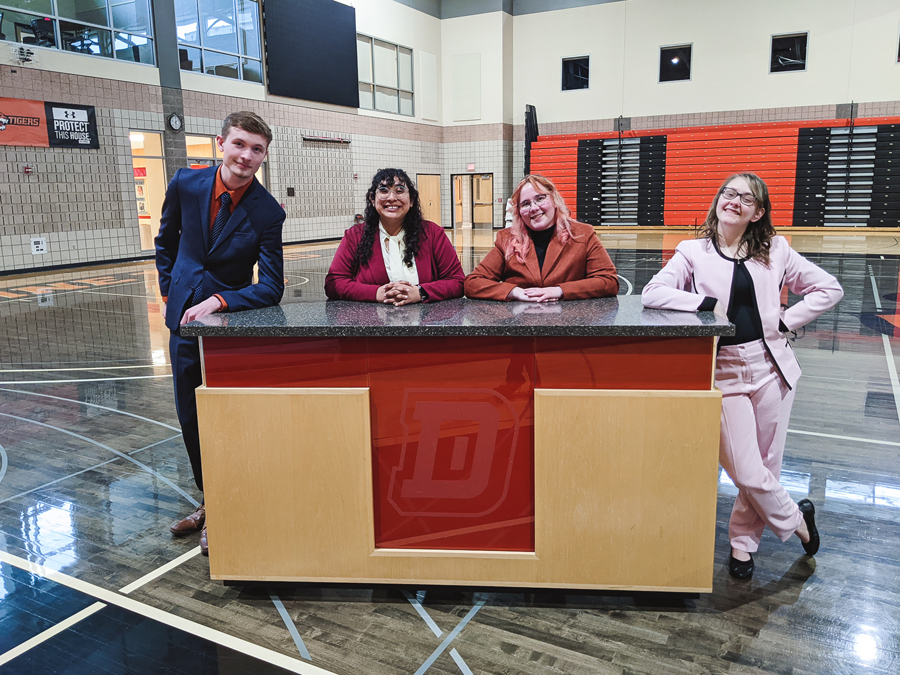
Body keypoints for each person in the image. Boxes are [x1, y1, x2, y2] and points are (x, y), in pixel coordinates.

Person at [641, 172, 843, 579]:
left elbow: (829, 288)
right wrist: (705, 302)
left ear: (758, 212)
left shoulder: (778, 250)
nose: (734, 201)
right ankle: (800, 523)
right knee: (747, 471)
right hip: (723, 371)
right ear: (719, 200)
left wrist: (788, 320)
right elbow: (653, 292)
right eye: (729, 193)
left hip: (773, 369)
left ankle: (743, 545)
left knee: (766, 467)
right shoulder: (692, 251)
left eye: (746, 198)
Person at [155, 111, 285, 555]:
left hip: (227, 331)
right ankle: (212, 502)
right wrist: (172, 291)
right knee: (190, 418)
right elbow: (166, 243)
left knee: (228, 420)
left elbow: (271, 286)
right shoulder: (185, 184)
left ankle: (231, 505)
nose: (246, 156)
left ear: (264, 156)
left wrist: (220, 301)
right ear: (220, 143)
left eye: (257, 149)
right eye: (240, 144)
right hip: (182, 326)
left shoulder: (268, 211)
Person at [464, 175, 619, 301]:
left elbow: (609, 281)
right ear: (518, 212)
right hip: (521, 326)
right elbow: (472, 283)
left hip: (569, 326)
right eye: (525, 204)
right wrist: (514, 292)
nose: (533, 208)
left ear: (553, 199)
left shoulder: (583, 234)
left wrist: (560, 290)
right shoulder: (506, 239)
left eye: (540, 199)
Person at [325, 169, 465, 305]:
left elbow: (457, 281)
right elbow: (334, 283)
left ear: (411, 200)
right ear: (372, 199)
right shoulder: (355, 236)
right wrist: (376, 293)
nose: (391, 198)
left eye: (399, 191)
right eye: (384, 190)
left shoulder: (433, 233)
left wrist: (420, 292)